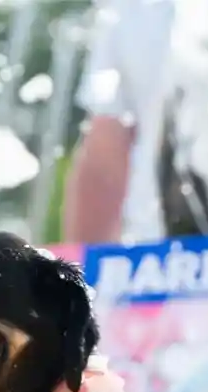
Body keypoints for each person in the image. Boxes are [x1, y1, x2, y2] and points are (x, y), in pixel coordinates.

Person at [62, 0, 178, 245]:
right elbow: (105, 156)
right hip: (158, 255)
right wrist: (77, 278)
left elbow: (106, 158)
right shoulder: (131, 8)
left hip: (162, 255)